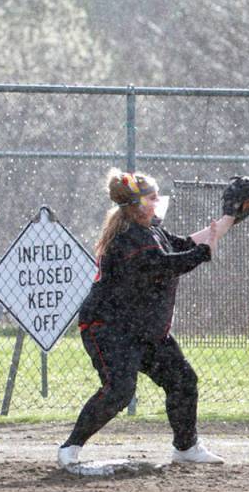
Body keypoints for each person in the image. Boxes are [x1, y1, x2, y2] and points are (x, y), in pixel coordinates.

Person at [58, 168, 235, 467]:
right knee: (119, 390)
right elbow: (164, 264)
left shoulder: (151, 230)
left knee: (182, 380)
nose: (158, 202)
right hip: (109, 328)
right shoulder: (128, 237)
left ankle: (186, 447)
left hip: (144, 328)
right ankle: (70, 448)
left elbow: (184, 245)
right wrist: (204, 252)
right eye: (152, 198)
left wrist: (231, 216)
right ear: (137, 204)